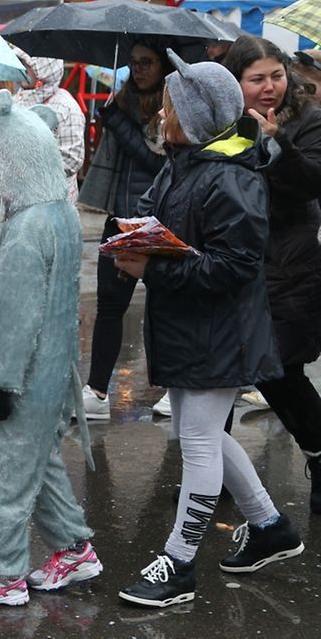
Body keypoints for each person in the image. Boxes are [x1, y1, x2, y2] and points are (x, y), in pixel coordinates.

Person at [115, 51, 303, 609]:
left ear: (196, 118)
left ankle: (179, 562)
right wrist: (136, 236)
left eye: (170, 106)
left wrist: (155, 266)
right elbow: (160, 213)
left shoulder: (231, 175)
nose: (160, 114)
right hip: (190, 325)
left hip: (220, 331)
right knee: (206, 435)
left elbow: (236, 265)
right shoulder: (185, 160)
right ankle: (269, 527)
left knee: (196, 439)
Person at [0, 91, 99, 609]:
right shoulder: (61, 212)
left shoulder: (26, 229)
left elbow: (13, 318)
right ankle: (75, 549)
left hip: (23, 375)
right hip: (56, 371)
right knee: (42, 462)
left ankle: (4, 575)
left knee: (6, 473)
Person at [224, 36, 321, 515]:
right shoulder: (224, 121)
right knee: (220, 369)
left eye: (276, 76)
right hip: (236, 259)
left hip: (290, 265)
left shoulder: (309, 120)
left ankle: (319, 454)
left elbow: (311, 181)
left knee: (279, 371)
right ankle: (214, 472)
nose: (269, 88)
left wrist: (275, 140)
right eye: (256, 79)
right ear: (236, 82)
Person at [78, 36, 171, 420]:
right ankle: (97, 391)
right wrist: (112, 117)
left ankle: (175, 389)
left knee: (167, 309)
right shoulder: (121, 101)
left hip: (160, 220)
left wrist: (114, 120)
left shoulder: (173, 105)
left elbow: (157, 161)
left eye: (147, 62)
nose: (139, 69)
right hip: (120, 217)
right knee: (110, 308)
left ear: (163, 65)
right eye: (134, 62)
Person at [12, 50, 85, 202]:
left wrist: (29, 167)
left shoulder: (65, 107)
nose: (22, 70)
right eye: (20, 64)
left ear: (43, 68)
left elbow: (71, 159)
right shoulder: (16, 101)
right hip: (17, 196)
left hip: (53, 199)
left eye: (27, 66)